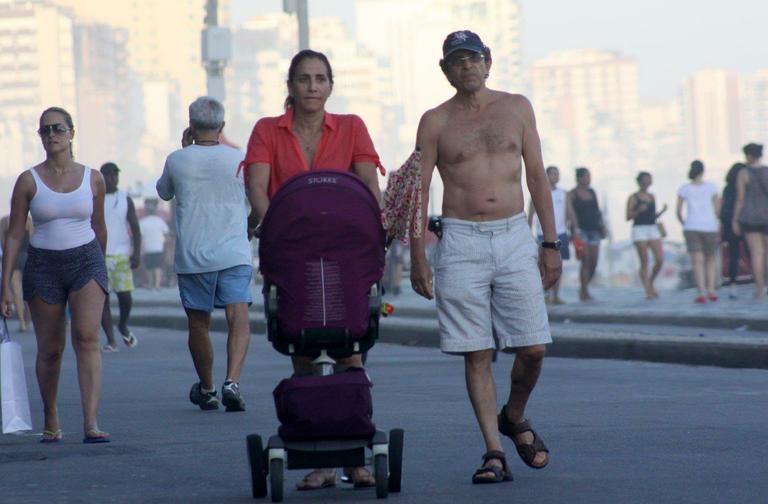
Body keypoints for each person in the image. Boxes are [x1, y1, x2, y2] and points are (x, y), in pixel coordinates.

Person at [410, 31, 560, 484]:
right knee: (476, 352)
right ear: (446, 70)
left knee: (533, 347)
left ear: (488, 62)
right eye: (457, 61)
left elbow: (536, 175)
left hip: (515, 234)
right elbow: (420, 190)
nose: (467, 66)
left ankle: (513, 415)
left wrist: (550, 244)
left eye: (474, 58)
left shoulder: (517, 107)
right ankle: (493, 451)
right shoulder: (435, 121)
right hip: (459, 240)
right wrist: (418, 253)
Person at [243, 49, 382, 490]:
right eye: (304, 79)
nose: (312, 86)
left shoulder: (353, 127)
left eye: (321, 78)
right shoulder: (267, 130)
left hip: (344, 255)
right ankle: (321, 458)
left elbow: (367, 190)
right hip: (292, 253)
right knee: (303, 345)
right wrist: (276, 234)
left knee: (350, 345)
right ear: (290, 85)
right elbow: (258, 190)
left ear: (330, 85)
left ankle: (356, 452)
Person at [1, 106, 110, 443]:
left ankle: (91, 422)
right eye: (45, 130)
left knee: (87, 338)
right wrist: (5, 285)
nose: (51, 135)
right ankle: (51, 419)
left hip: (86, 261)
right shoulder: (28, 180)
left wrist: (100, 269)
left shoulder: (93, 178)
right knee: (50, 348)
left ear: (72, 133)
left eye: (58, 129)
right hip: (43, 265)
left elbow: (99, 226)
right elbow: (16, 234)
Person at [156, 96, 252, 413]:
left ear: (191, 125)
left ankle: (208, 388)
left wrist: (185, 149)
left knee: (199, 324)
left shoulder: (177, 159)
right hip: (235, 252)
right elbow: (256, 196)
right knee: (238, 317)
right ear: (222, 127)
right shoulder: (239, 159)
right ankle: (232, 382)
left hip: (194, 255)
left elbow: (164, 192)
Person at [99, 162, 140, 352]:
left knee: (125, 296)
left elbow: (134, 226)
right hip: (100, 255)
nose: (113, 178)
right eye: (109, 175)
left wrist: (137, 252)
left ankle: (122, 324)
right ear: (102, 177)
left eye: (116, 175)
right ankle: (110, 340)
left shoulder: (125, 198)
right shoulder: (95, 197)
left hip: (122, 254)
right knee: (102, 299)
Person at [676, 160, 720, 303]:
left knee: (697, 261)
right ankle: (712, 290)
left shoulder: (684, 188)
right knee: (711, 259)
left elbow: (678, 211)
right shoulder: (712, 187)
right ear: (703, 171)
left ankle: (701, 292)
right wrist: (715, 220)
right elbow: (717, 208)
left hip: (691, 226)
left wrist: (684, 223)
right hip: (710, 226)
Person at [528, 165, 573, 304]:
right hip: (543, 234)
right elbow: (530, 215)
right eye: (553, 173)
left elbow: (569, 212)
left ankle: (556, 295)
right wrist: (529, 233)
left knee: (559, 264)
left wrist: (573, 229)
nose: (556, 176)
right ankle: (545, 293)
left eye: (557, 174)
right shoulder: (538, 192)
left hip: (560, 233)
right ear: (546, 176)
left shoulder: (564, 194)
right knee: (543, 264)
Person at [733, 143, 768, 300]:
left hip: (750, 216)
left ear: (749, 155)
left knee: (757, 254)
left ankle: (760, 290)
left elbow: (740, 198)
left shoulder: (743, 173)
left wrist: (735, 219)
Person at [625, 172, 667, 299]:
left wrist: (662, 212)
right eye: (645, 180)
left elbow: (652, 216)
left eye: (649, 180)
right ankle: (648, 289)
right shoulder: (633, 197)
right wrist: (638, 210)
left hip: (652, 228)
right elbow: (628, 216)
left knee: (659, 259)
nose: (647, 183)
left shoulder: (652, 196)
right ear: (639, 182)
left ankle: (651, 281)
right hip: (639, 229)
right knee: (645, 261)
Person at [568, 167, 606, 301]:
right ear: (579, 178)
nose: (588, 179)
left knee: (594, 262)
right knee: (586, 260)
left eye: (589, 176)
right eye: (586, 176)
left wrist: (602, 226)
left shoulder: (592, 192)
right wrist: (574, 231)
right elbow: (570, 213)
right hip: (580, 231)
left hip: (594, 229)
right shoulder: (572, 194)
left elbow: (597, 211)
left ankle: (584, 287)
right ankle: (584, 291)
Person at [720, 162, 749, 299]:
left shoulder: (727, 188)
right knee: (754, 254)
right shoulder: (746, 187)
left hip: (729, 224)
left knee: (734, 255)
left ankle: (733, 285)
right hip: (745, 222)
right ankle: (763, 283)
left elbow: (723, 208)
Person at [0, 215, 32, 331]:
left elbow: (3, 243)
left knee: (17, 291)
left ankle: (22, 322)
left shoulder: (4, 221)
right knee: (28, 290)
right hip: (27, 256)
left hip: (13, 258)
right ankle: (27, 320)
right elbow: (33, 239)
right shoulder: (28, 220)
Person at [138, 198, 169, 290]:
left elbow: (141, 237)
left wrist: (141, 249)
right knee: (158, 267)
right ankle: (157, 285)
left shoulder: (142, 222)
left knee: (149, 267)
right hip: (158, 247)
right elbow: (166, 233)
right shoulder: (159, 221)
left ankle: (151, 284)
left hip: (147, 248)